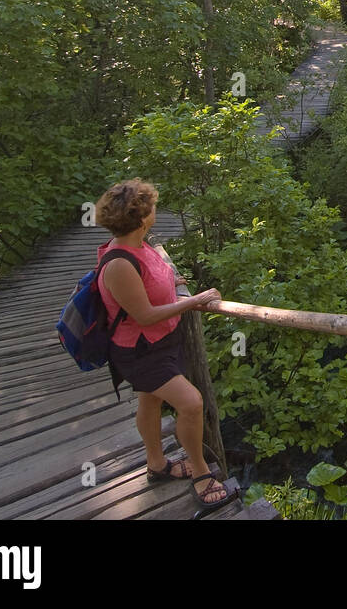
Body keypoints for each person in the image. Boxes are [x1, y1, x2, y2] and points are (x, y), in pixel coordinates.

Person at [94, 178, 231, 510]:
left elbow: (153, 278)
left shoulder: (139, 245)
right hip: (141, 349)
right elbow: (143, 315)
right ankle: (201, 473)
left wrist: (173, 282)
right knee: (191, 403)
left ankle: (156, 465)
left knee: (150, 401)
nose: (156, 210)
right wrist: (193, 300)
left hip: (159, 342)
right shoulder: (118, 264)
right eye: (152, 207)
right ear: (142, 218)